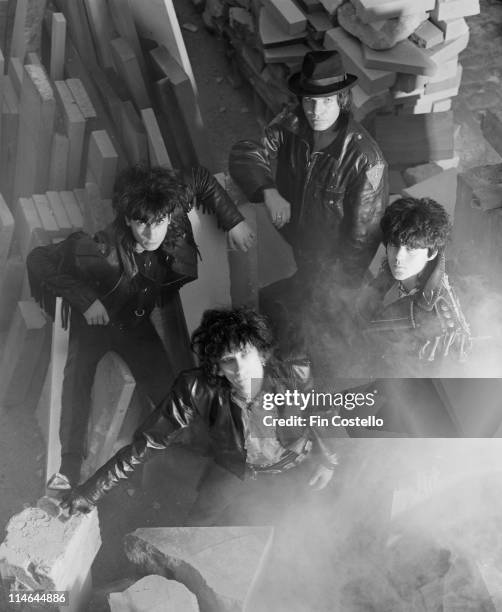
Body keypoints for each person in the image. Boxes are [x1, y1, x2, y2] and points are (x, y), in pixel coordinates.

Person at [27, 165, 255, 487]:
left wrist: (233, 221)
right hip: (95, 324)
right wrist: (85, 300)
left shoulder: (167, 209)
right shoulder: (97, 248)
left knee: (169, 392)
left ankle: (208, 455)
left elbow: (199, 178)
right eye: (141, 224)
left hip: (134, 324)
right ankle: (69, 469)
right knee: (77, 382)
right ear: (127, 219)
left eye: (158, 223)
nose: (151, 234)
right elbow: (38, 259)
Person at [61, 307, 339, 524]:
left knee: (304, 530)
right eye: (228, 361)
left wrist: (328, 459)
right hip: (238, 468)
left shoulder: (293, 373)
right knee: (196, 527)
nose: (239, 370)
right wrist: (91, 491)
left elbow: (323, 413)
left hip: (295, 461)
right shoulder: (196, 387)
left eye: (245, 355)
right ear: (217, 368)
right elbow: (148, 442)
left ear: (262, 354)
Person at [228, 49, 388, 366]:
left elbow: (362, 240)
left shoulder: (365, 160)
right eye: (309, 101)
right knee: (267, 313)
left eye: (326, 101)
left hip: (331, 267)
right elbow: (245, 153)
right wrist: (269, 191)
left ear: (342, 100)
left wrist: (332, 295)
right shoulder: (291, 125)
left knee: (302, 344)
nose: (315, 110)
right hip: (297, 248)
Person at [357, 196, 472, 376]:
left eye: (410, 249)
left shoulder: (440, 323)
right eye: (394, 245)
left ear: (431, 253)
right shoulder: (390, 273)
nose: (398, 258)